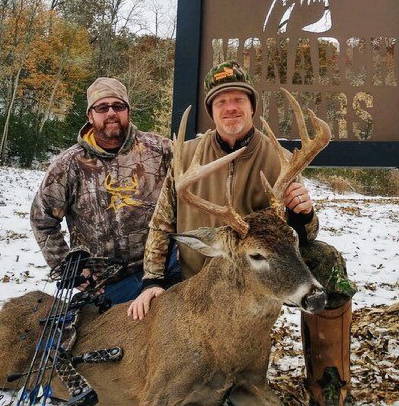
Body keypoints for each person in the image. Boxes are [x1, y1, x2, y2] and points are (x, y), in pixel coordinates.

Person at [127, 61, 357, 406]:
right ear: (212, 112)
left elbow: (303, 235)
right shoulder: (187, 156)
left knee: (326, 259)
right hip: (200, 279)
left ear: (251, 107)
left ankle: (328, 386)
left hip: (256, 276)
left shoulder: (277, 156)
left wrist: (303, 213)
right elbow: (163, 223)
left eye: (238, 99)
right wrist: (151, 281)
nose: (230, 107)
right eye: (221, 102)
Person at [30, 76, 180, 305]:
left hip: (163, 270)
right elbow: (42, 219)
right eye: (102, 107)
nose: (111, 113)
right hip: (107, 284)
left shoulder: (162, 150)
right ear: (90, 115)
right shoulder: (68, 165)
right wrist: (71, 269)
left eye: (118, 106)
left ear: (128, 111)